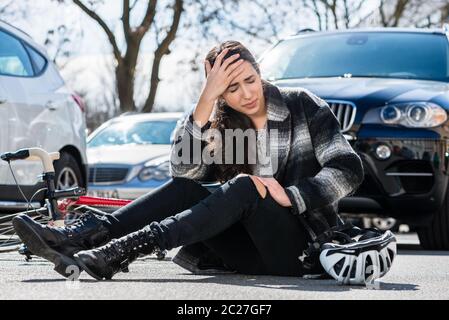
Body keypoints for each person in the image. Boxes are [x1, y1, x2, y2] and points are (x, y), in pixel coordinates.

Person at [13, 40, 367, 282]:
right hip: (244, 251)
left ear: (260, 72)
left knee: (246, 186)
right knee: (189, 187)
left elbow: (348, 168)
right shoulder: (217, 121)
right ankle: (82, 237)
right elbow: (184, 175)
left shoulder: (301, 104)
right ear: (218, 93)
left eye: (250, 80)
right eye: (230, 88)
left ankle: (123, 249)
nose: (245, 93)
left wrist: (290, 194)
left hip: (301, 249)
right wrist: (205, 103)